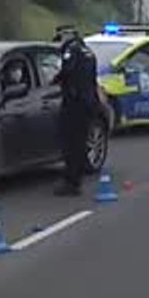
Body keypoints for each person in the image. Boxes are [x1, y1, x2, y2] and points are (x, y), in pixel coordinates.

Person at [51, 25, 101, 196]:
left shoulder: (72, 51)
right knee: (80, 141)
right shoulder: (88, 51)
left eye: (60, 38)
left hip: (74, 102)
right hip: (88, 102)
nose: (59, 43)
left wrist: (55, 80)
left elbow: (67, 71)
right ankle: (76, 177)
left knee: (70, 142)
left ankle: (71, 182)